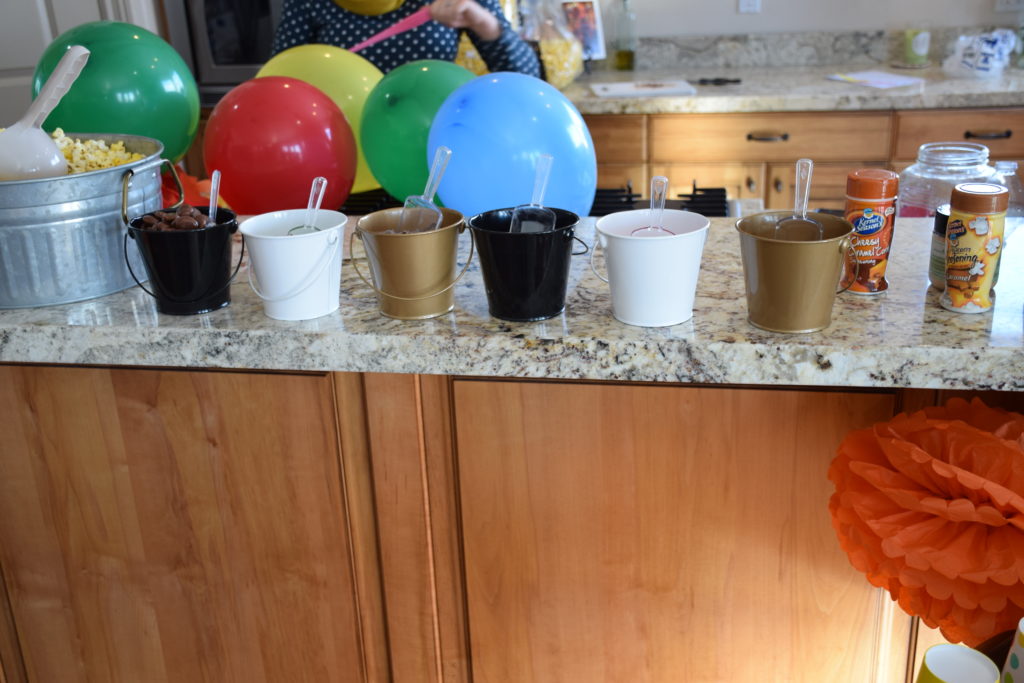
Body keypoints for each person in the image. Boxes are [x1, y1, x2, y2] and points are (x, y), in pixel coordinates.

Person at [272, 0, 541, 76]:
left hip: (428, 142)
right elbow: (278, 80)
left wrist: (482, 20)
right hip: (340, 146)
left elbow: (526, 75)